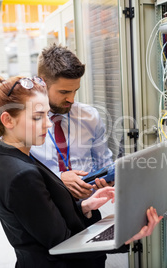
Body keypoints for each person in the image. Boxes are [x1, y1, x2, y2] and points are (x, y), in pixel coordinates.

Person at [0, 75, 163, 267]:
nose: (48, 124)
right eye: (37, 117)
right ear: (7, 120)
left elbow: (44, 220)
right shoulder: (21, 175)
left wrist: (84, 207)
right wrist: (125, 235)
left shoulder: (14, 158)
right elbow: (64, 245)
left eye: (47, 115)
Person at [30, 44, 113, 199]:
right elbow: (15, 176)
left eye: (75, 91)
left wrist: (107, 181)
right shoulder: (24, 123)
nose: (72, 99)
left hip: (89, 208)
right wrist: (58, 179)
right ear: (42, 83)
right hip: (47, 210)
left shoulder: (90, 117)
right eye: (64, 92)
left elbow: (104, 164)